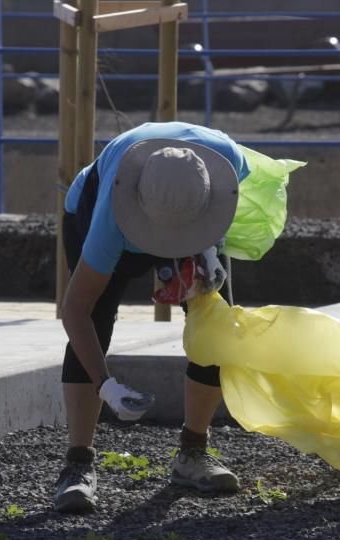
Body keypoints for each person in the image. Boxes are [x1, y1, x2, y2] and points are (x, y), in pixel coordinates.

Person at [54, 121, 250, 513]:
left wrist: (209, 252)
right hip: (98, 209)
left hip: (194, 216)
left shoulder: (228, 158)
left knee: (214, 326)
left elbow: (237, 206)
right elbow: (75, 309)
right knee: (98, 317)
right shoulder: (109, 219)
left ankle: (193, 453)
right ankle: (77, 464)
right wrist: (105, 385)